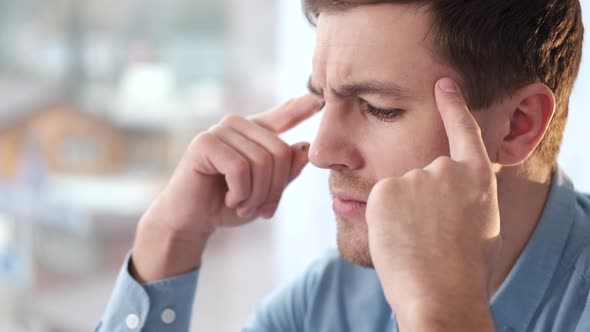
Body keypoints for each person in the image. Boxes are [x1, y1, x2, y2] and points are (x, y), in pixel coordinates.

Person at [96, 0, 588, 331]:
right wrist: (167, 238)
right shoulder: (330, 301)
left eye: (379, 108)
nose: (320, 151)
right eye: (322, 99)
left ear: (518, 125)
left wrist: (442, 317)